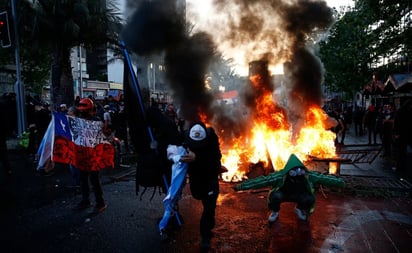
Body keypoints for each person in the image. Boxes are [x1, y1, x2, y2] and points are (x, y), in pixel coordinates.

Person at [234, 154, 345, 223]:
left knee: (309, 199)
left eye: (299, 170)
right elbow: (261, 181)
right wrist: (241, 186)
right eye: (294, 170)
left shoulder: (308, 175)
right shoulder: (280, 175)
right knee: (275, 196)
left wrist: (341, 183)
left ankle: (300, 209)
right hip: (283, 195)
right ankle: (275, 212)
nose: (297, 173)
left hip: (299, 196)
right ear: (288, 170)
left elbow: (325, 178)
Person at [180, 120, 222, 251]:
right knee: (199, 196)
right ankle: (207, 227)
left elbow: (216, 161)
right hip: (196, 179)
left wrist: (197, 157)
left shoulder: (212, 138)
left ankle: (205, 237)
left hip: (210, 178)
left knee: (209, 209)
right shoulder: (185, 137)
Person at [73, 98, 107, 214]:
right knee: (83, 179)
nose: (82, 113)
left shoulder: (96, 121)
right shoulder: (78, 120)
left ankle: (100, 202)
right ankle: (85, 200)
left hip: (93, 155)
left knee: (94, 180)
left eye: (84, 111)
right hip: (82, 154)